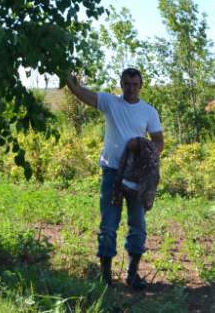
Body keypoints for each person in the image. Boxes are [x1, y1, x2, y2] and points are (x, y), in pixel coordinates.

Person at [62, 68, 164, 290]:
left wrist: (142, 148)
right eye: (127, 84)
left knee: (137, 226)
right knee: (108, 225)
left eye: (135, 84)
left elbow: (158, 142)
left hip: (137, 177)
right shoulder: (110, 103)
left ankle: (133, 274)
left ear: (141, 86)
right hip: (111, 174)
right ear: (121, 84)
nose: (130, 88)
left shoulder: (149, 112)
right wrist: (69, 79)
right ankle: (106, 276)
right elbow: (82, 93)